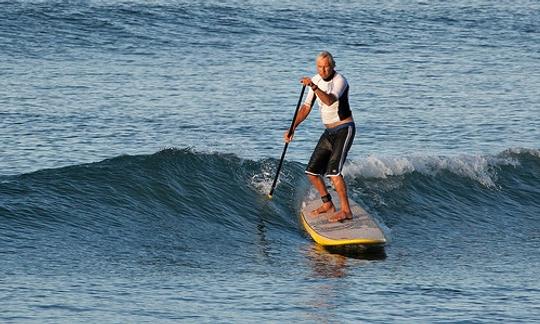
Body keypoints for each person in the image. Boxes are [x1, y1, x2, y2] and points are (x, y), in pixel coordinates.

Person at [284, 51, 355, 223]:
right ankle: (328, 204)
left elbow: (330, 100)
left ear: (333, 66)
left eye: (326, 66)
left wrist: (314, 87)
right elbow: (306, 107)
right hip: (329, 132)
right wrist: (292, 127)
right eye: (320, 67)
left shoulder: (340, 81)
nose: (323, 70)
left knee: (333, 172)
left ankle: (346, 211)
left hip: (344, 129)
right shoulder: (315, 79)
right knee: (311, 171)